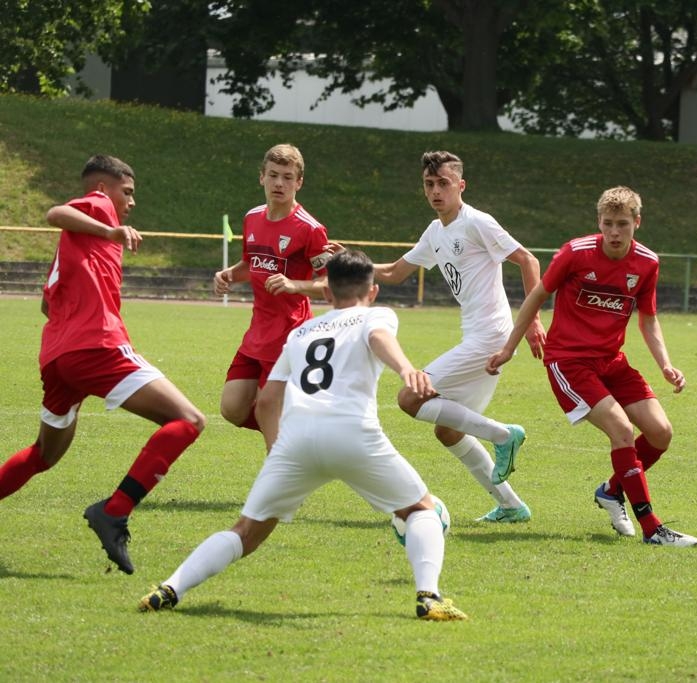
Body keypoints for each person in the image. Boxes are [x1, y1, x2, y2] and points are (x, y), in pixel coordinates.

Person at [138, 250, 467, 621]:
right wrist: (406, 369)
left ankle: (169, 588)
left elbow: (267, 402)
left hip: (295, 442)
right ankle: (429, 597)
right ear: (372, 291)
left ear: (326, 292)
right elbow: (377, 336)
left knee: (245, 532)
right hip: (351, 433)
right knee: (419, 509)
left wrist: (279, 454)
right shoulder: (377, 314)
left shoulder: (299, 333)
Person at [0, 154, 206, 575]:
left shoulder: (77, 246)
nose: (131, 202)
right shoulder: (99, 207)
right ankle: (114, 511)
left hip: (58, 357)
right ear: (102, 188)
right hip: (97, 346)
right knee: (189, 420)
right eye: (127, 192)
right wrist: (111, 229)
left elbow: (47, 304)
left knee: (43, 455)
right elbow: (55, 212)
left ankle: (112, 511)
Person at [487, 186, 697, 548]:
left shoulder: (647, 262)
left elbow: (648, 318)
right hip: (569, 362)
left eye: (622, 224)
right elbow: (537, 296)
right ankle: (652, 528)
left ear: (637, 222)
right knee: (621, 430)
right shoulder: (575, 253)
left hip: (612, 361)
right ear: (599, 221)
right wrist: (510, 347)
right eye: (608, 223)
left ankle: (612, 491)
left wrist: (665, 364)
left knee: (660, 432)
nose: (614, 232)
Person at [373, 151, 545, 523]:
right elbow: (393, 273)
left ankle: (504, 435)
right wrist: (350, 264)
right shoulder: (435, 231)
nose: (436, 191)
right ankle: (512, 506)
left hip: (491, 337)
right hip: (478, 338)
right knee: (448, 431)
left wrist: (532, 323)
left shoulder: (477, 222)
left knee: (409, 396)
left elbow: (528, 260)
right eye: (429, 184)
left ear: (461, 186)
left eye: (444, 184)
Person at [213, 144, 335, 450]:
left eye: (287, 177)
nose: (279, 183)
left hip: (288, 335)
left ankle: (282, 462)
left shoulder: (310, 229)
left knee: (268, 410)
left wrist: (295, 285)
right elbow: (251, 264)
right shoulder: (252, 218)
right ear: (262, 177)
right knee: (232, 407)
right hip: (257, 333)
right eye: (273, 175)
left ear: (299, 182)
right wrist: (228, 274)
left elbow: (331, 284)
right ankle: (296, 430)